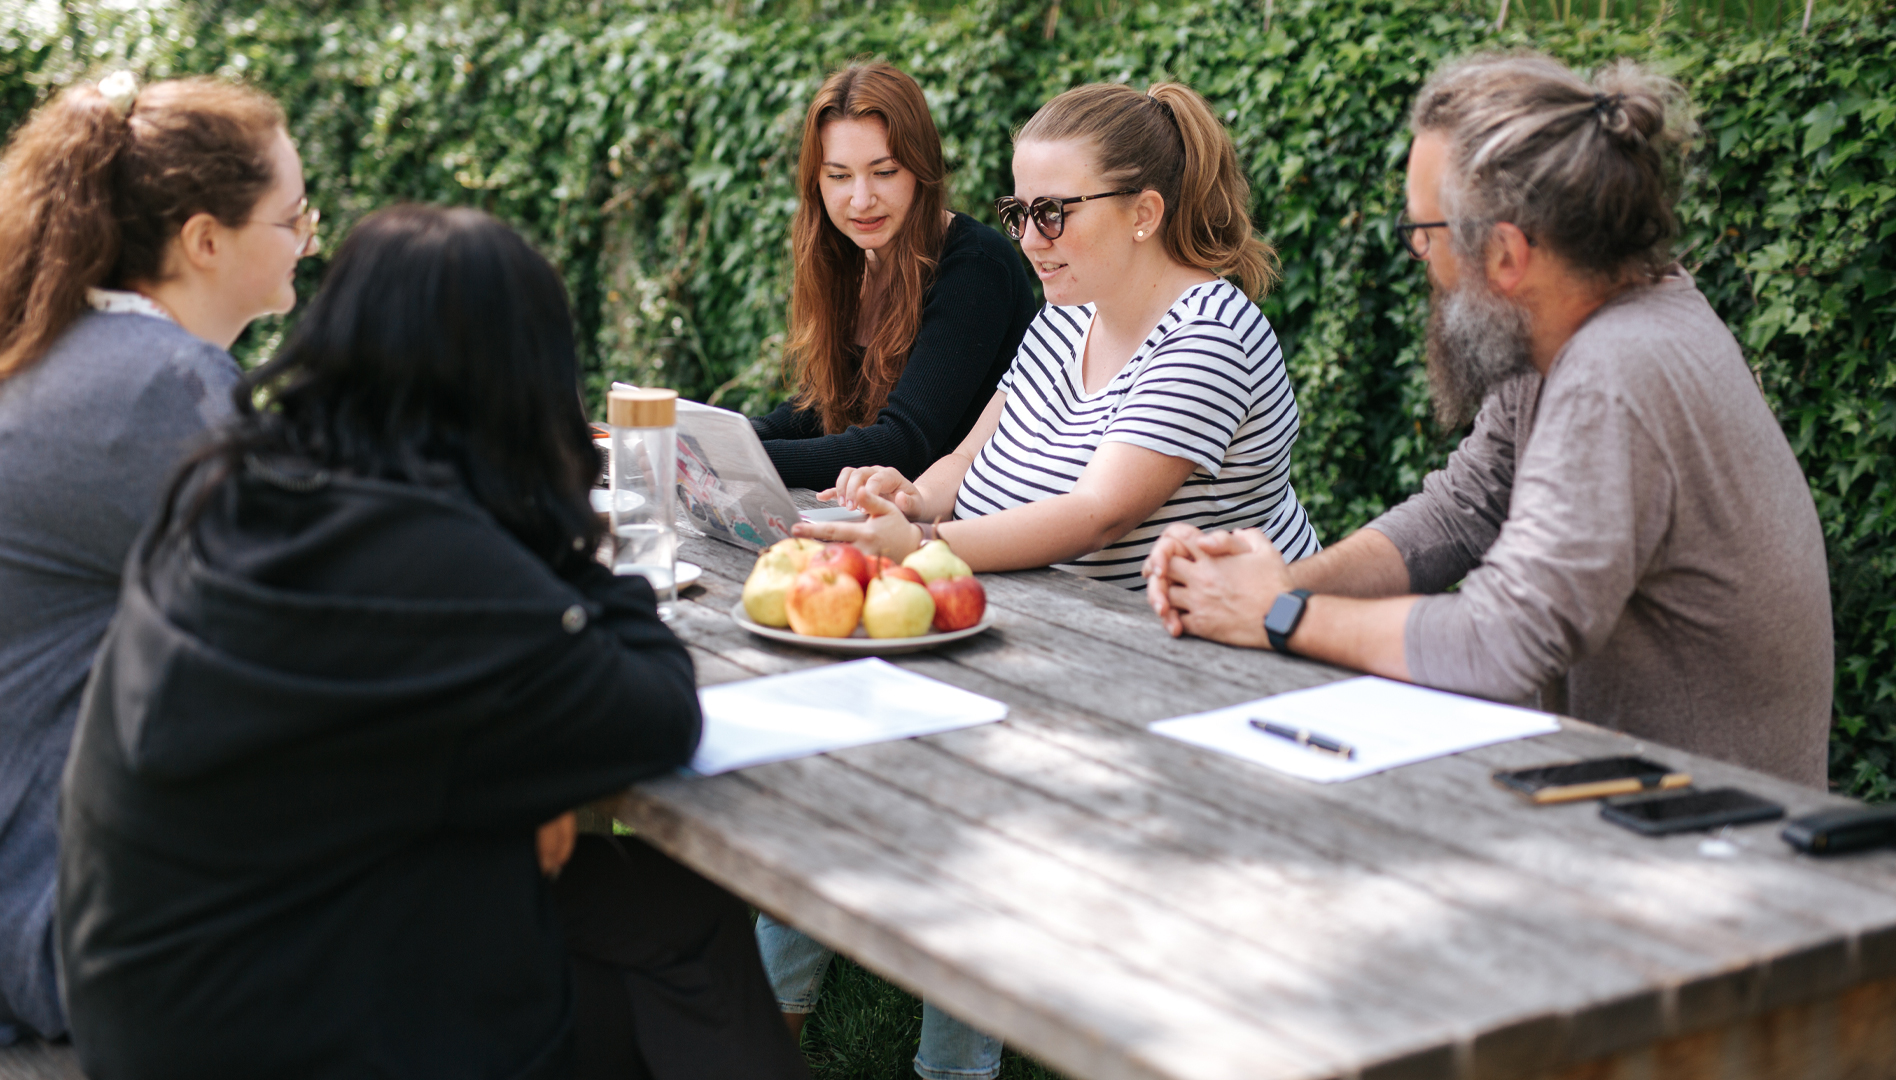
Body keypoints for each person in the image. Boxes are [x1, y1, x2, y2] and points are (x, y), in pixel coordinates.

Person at [57, 205, 809, 1080]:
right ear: (522, 377)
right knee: (663, 957)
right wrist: (568, 532)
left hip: (155, 987)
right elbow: (655, 710)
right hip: (275, 1022)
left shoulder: (238, 487)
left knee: (662, 905)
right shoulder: (438, 554)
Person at [1145, 54, 1832, 788]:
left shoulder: (1614, 372)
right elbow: (1459, 511)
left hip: (1703, 831)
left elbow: (1502, 639)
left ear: (1506, 252)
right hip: (1616, 792)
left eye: (1426, 232)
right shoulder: (1582, 320)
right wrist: (1270, 587)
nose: (1418, 253)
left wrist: (1281, 614)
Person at [0, 73, 316, 1046]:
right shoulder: (159, 387)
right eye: (293, 215)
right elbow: (311, 634)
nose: (310, 237)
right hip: (71, 923)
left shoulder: (75, 351)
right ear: (205, 239)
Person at [797, 80, 1319, 591]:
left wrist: (919, 543)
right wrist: (913, 497)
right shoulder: (1069, 311)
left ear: (1143, 213)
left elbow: (1096, 516)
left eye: (1051, 213)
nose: (1027, 239)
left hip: (1211, 653)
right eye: (1018, 214)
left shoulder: (1209, 335)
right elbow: (967, 458)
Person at [751, 61, 1037, 490]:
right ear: (817, 182)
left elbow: (902, 445)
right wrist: (723, 439)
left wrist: (744, 460)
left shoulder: (975, 266)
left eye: (884, 172)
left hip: (967, 531)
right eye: (839, 176)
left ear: (921, 168)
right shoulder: (856, 260)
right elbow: (821, 409)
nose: (861, 199)